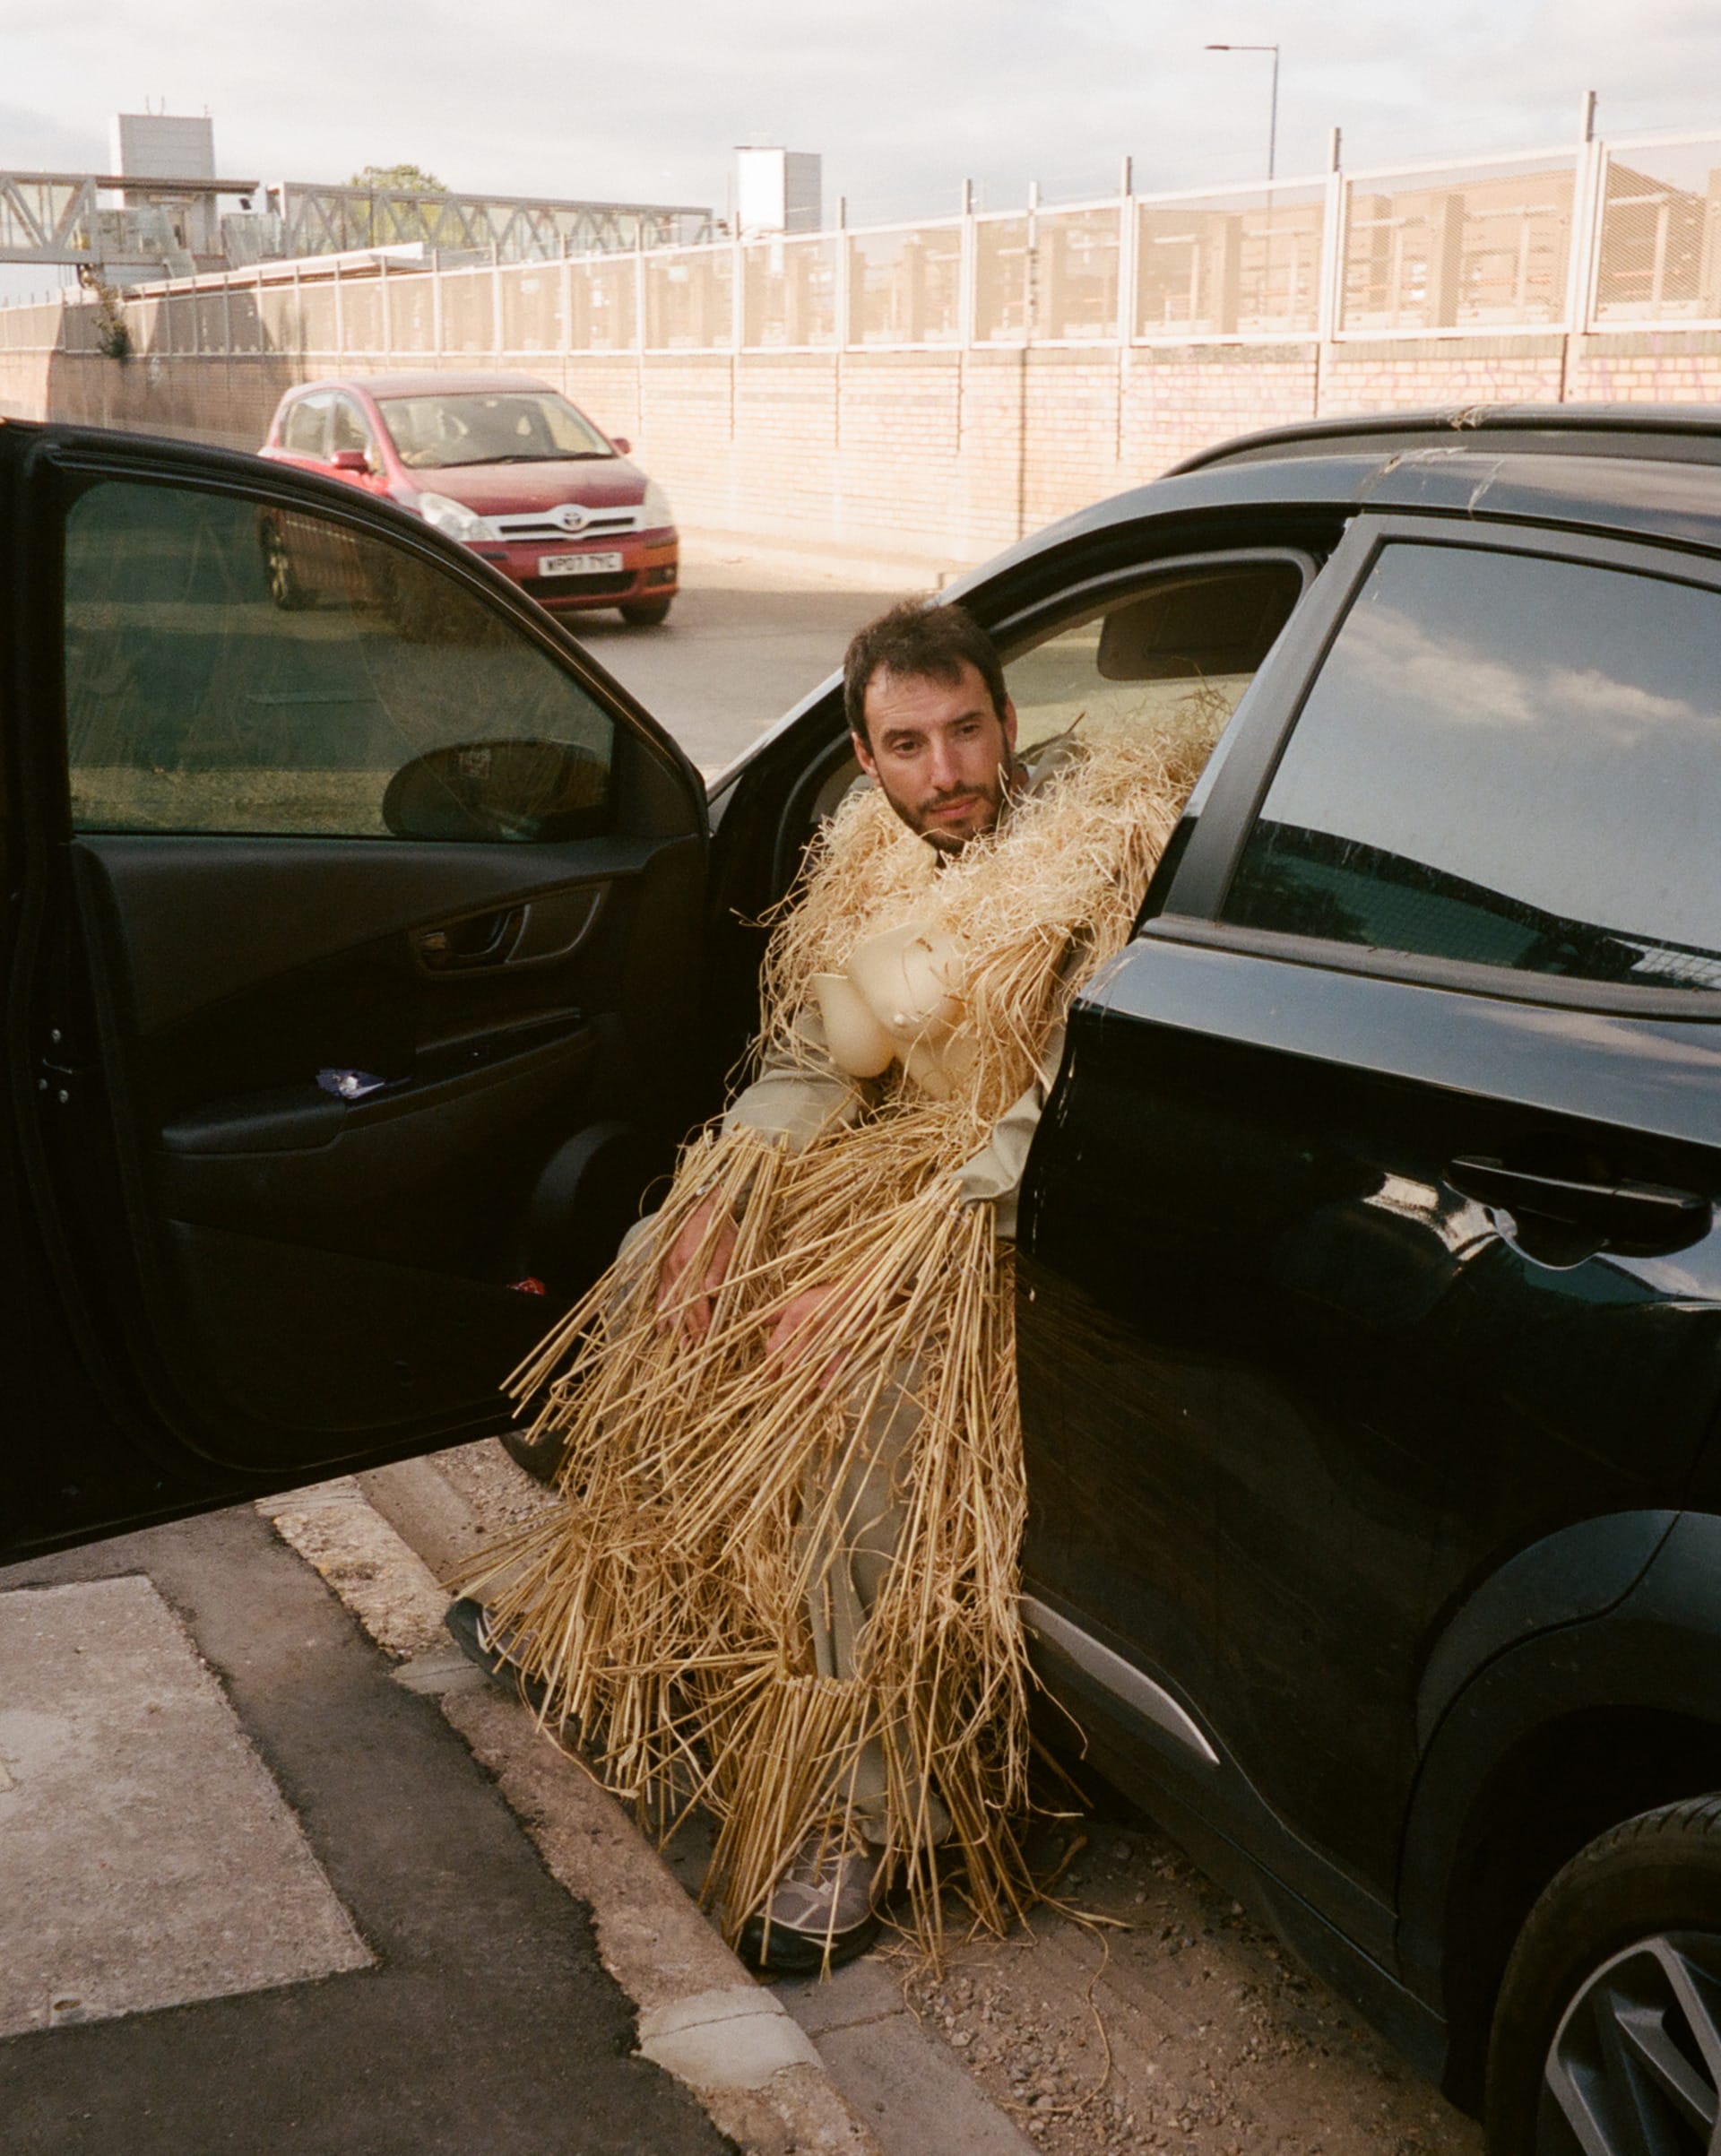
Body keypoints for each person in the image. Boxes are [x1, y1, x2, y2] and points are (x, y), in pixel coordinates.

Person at [448, 599, 1193, 1970]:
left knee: (866, 1404)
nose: (947, 771)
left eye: (969, 729)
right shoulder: (864, 849)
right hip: (887, 1166)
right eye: (907, 744)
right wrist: (725, 1205)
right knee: (654, 1269)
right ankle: (616, 1625)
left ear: (1008, 721)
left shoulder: (1101, 846)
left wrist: (879, 1284)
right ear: (864, 755)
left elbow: (1065, 1102)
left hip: (1008, 1216)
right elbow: (805, 1060)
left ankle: (866, 1813)